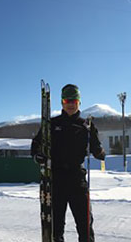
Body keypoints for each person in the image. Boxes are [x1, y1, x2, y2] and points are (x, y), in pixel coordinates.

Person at [31, 84, 105, 242]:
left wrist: (99, 152)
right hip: (56, 180)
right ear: (62, 103)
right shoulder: (51, 124)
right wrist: (38, 156)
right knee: (56, 227)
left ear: (79, 102)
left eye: (74, 100)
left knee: (85, 224)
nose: (70, 104)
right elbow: (36, 145)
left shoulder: (86, 125)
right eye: (67, 100)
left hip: (77, 180)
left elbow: (96, 148)